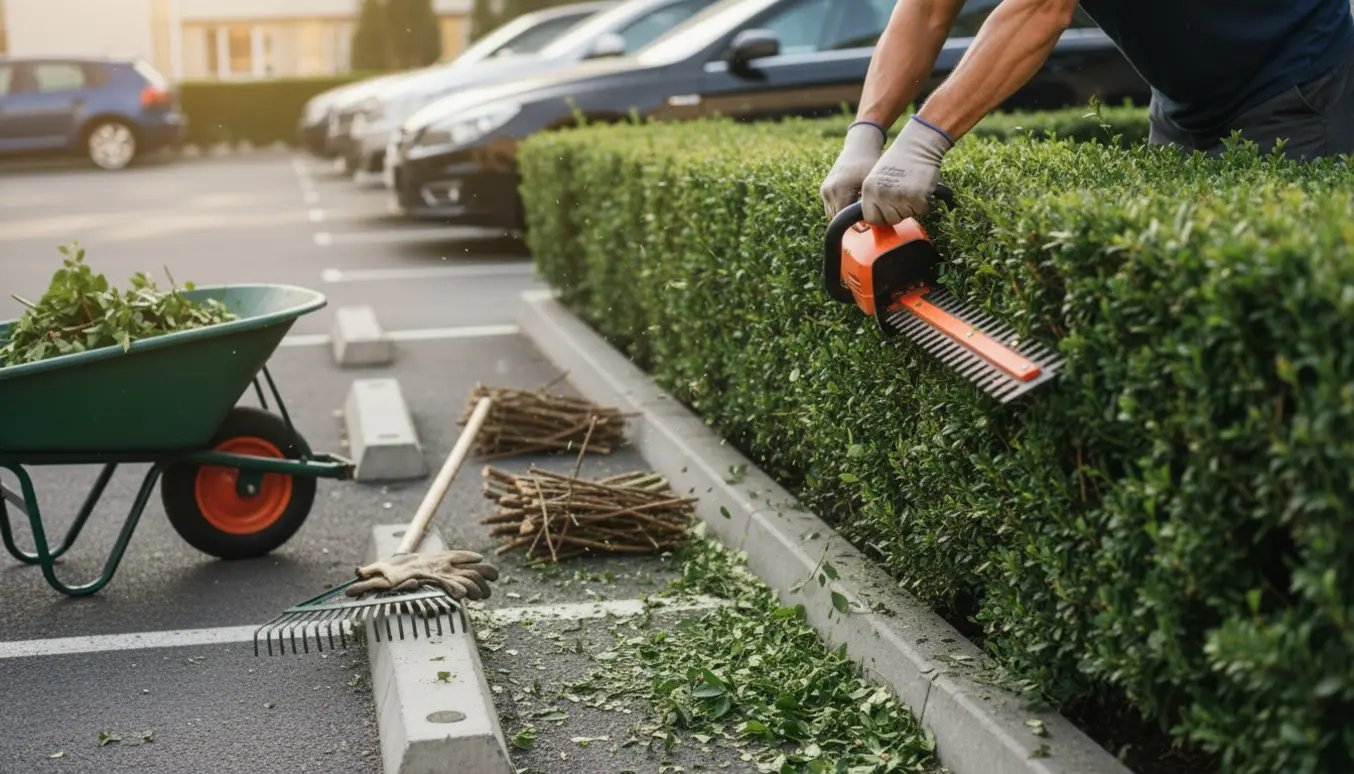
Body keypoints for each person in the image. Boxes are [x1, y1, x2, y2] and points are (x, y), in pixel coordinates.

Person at [821, 0, 1354, 226]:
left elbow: (1041, 10)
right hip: (1182, 103)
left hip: (1296, 77)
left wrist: (923, 140)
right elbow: (925, 10)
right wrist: (865, 130)